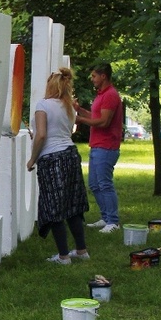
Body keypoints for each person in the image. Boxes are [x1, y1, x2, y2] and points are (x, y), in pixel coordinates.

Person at [26, 67, 90, 265]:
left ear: (50, 85)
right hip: (71, 155)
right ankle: (81, 250)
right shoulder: (68, 106)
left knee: (54, 206)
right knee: (72, 205)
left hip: (52, 159)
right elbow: (63, 132)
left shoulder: (43, 105)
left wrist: (32, 159)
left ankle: (63, 256)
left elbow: (42, 135)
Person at [75, 63, 124, 234]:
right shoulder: (101, 95)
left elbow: (104, 122)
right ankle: (105, 217)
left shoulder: (110, 95)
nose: (92, 79)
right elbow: (95, 116)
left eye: (94, 76)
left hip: (107, 146)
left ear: (103, 76)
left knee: (104, 184)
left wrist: (81, 120)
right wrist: (79, 110)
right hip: (97, 145)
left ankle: (113, 221)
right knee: (94, 185)